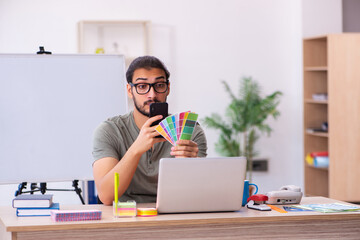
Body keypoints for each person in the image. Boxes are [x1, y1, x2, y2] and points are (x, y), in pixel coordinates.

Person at [92, 56, 207, 205]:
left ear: (168, 88)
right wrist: (136, 150)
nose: (152, 94)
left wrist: (191, 165)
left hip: (175, 214)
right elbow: (106, 196)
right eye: (142, 86)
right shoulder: (109, 131)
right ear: (129, 90)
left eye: (159, 85)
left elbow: (198, 195)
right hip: (126, 217)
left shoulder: (190, 130)